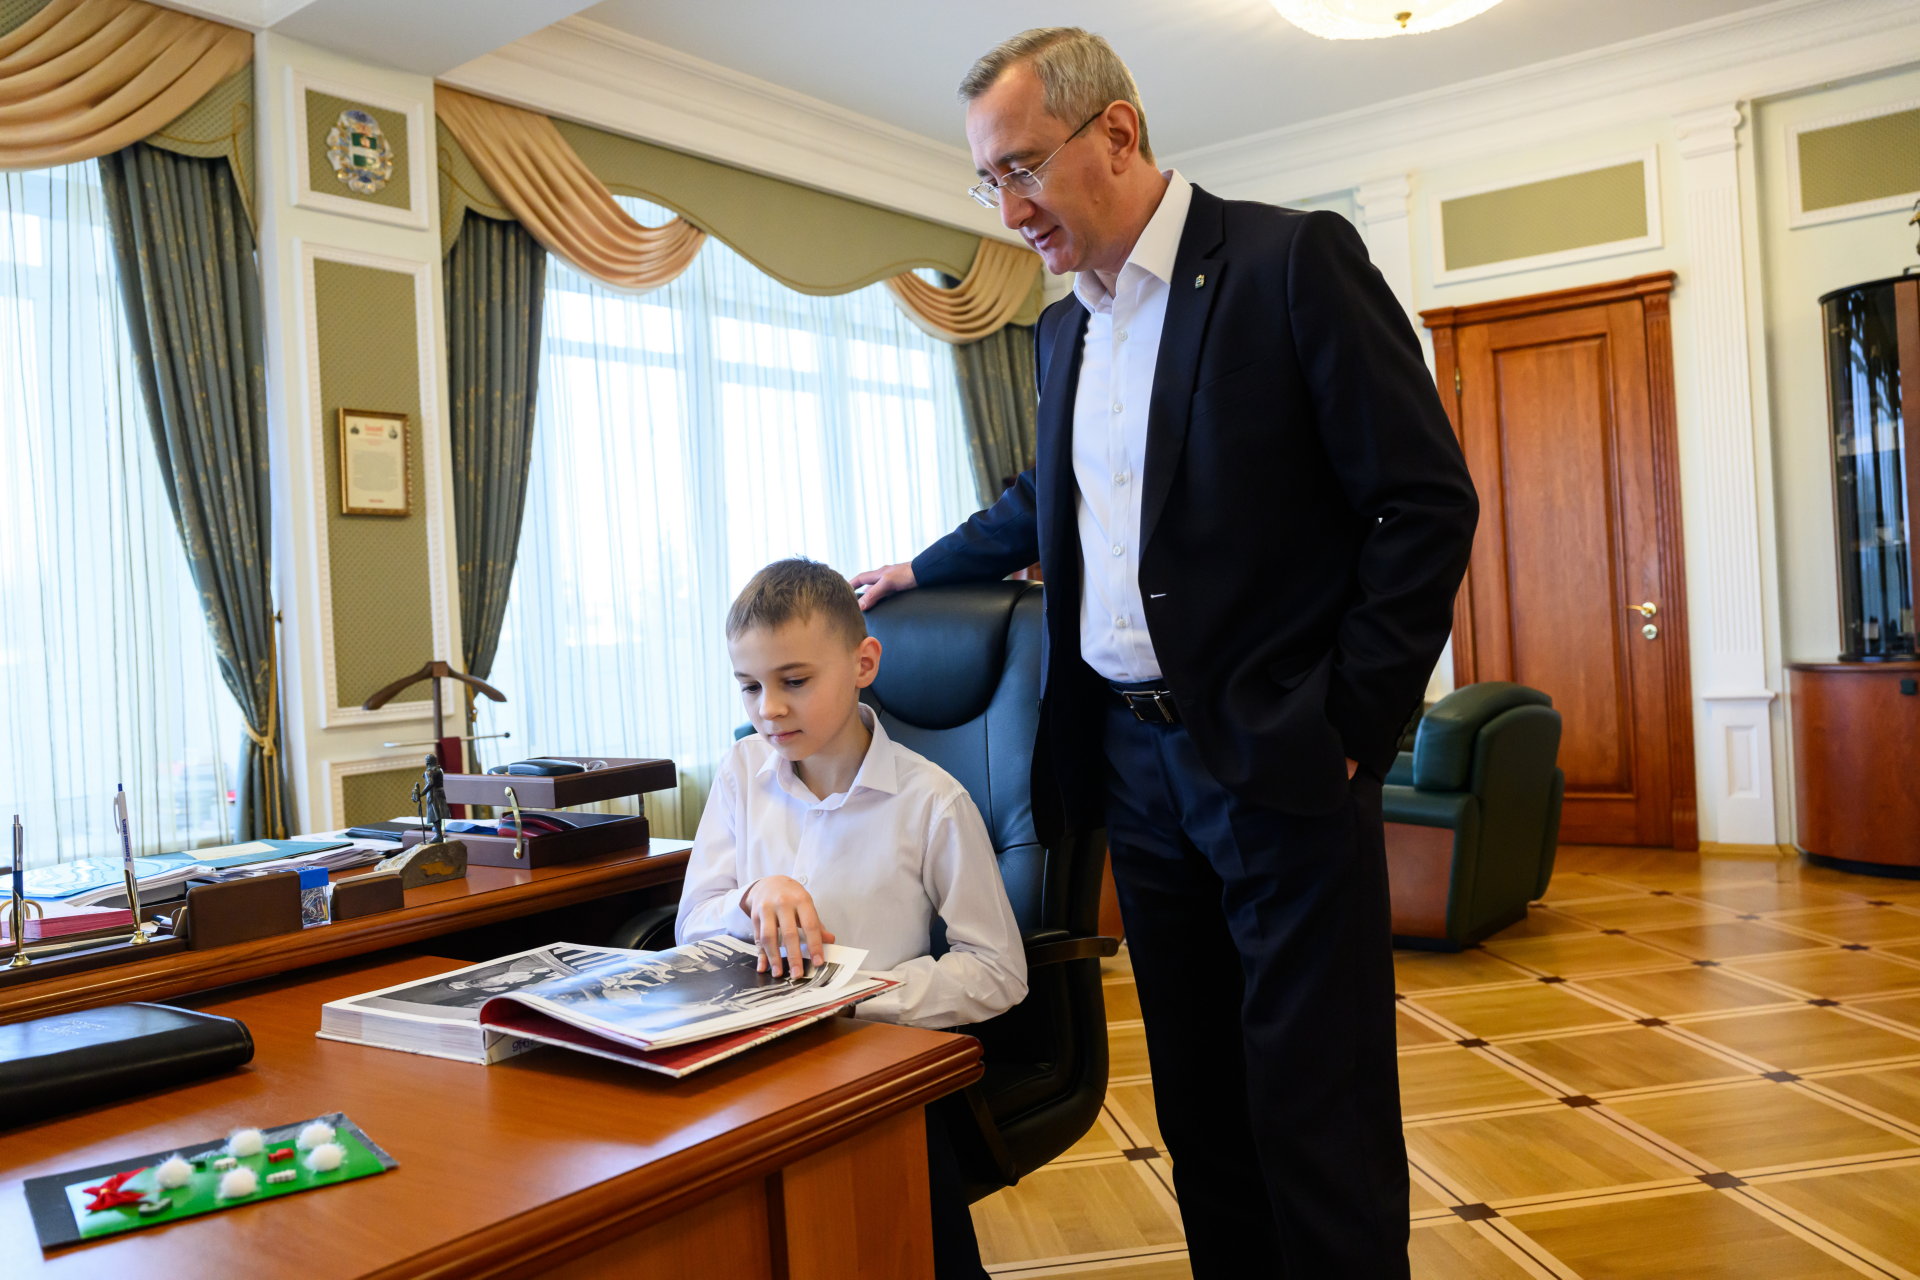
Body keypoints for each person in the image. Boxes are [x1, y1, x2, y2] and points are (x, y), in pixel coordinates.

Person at [851, 28, 1479, 1280]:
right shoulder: (1061, 330)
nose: (1008, 208)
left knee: (1319, 1103)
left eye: (1022, 168)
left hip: (1282, 755)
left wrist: (1350, 725)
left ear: (1118, 134)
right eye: (988, 180)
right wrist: (922, 567)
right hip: (1131, 771)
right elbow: (1055, 499)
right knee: (1201, 1100)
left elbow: (1423, 503)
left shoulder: (1289, 262)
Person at [675, 556, 1027, 1279]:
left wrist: (859, 997)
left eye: (794, 681)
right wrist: (751, 896)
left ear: (863, 663)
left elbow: (998, 971)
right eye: (750, 686)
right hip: (752, 1056)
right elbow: (692, 924)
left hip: (871, 1066)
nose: (769, 709)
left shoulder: (933, 803)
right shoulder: (741, 773)